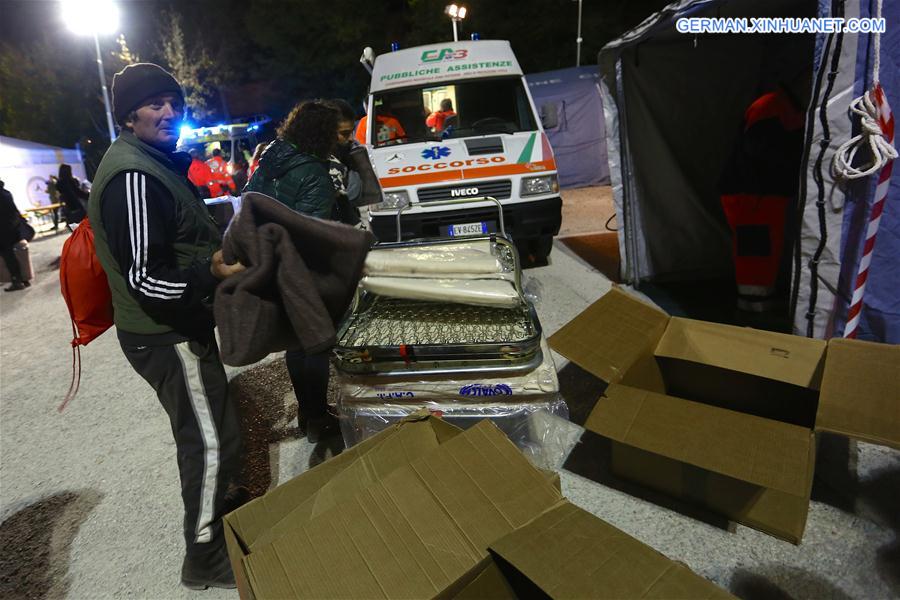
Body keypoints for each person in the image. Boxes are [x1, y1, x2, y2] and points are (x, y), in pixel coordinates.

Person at [86, 63, 246, 591]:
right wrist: (210, 272)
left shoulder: (153, 161)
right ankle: (203, 555)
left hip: (175, 327)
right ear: (129, 115)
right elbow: (144, 278)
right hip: (164, 335)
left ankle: (219, 521)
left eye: (173, 102)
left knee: (212, 431)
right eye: (155, 103)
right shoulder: (134, 174)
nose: (168, 112)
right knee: (209, 441)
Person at [245, 99, 343, 443]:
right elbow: (311, 231)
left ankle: (307, 411)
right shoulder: (315, 172)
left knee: (295, 342)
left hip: (266, 261)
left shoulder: (270, 158)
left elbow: (249, 204)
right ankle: (317, 417)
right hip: (298, 268)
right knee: (314, 343)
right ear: (322, 134)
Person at [327, 99, 362, 226]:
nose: (352, 138)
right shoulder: (325, 166)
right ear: (326, 132)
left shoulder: (350, 154)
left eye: (352, 131)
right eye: (345, 133)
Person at [0, 179, 29, 292]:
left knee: (9, 256)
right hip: (14, 229)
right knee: (18, 254)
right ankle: (24, 278)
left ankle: (16, 280)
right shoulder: (6, 193)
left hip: (4, 231)